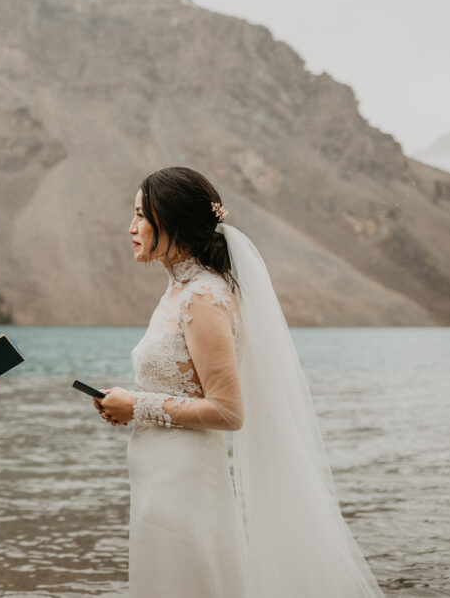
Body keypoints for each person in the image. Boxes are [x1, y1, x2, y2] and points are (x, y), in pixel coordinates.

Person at [94, 166, 384, 598]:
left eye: (141, 215)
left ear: (171, 222)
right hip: (158, 477)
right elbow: (182, 388)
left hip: (185, 483)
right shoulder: (178, 291)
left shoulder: (203, 297)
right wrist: (131, 404)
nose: (131, 227)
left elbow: (229, 411)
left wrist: (137, 406)